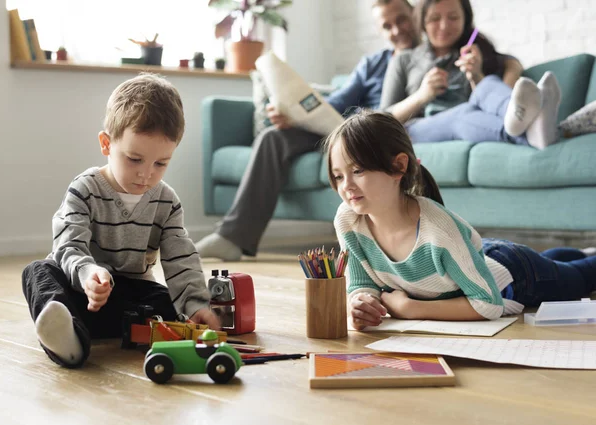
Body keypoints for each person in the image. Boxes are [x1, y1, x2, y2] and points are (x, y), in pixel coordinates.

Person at [325, 111, 595, 330]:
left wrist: (411, 309)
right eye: (338, 176)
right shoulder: (349, 220)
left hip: (516, 274)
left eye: (357, 170)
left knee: (582, 277)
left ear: (398, 167)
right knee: (555, 262)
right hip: (472, 260)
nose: (346, 186)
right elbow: (361, 283)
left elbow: (488, 304)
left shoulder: (439, 229)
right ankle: (568, 255)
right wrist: (361, 302)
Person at [195, 0, 420, 261]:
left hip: (377, 136)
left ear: (415, 16)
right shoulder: (374, 63)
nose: (396, 30)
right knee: (273, 137)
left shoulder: (425, 60)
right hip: (342, 130)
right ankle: (232, 237)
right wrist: (295, 115)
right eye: (387, 25)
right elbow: (337, 102)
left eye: (401, 20)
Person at [21, 74, 220, 368]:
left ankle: (113, 328)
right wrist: (89, 274)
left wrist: (196, 305)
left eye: (161, 163)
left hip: (128, 296)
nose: (146, 174)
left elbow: (180, 256)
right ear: (106, 144)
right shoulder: (84, 189)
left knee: (165, 301)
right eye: (134, 159)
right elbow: (69, 247)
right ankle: (69, 339)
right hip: (81, 290)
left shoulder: (166, 201)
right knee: (37, 272)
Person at [380, 0, 561, 149]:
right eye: (435, 18)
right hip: (417, 128)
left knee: (487, 83)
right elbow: (382, 119)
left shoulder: (476, 52)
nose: (444, 26)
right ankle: (534, 130)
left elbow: (510, 62)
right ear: (422, 22)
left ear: (465, 20)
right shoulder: (404, 60)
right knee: (463, 113)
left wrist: (476, 76)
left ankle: (528, 116)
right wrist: (422, 95)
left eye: (453, 17)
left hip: (473, 118)